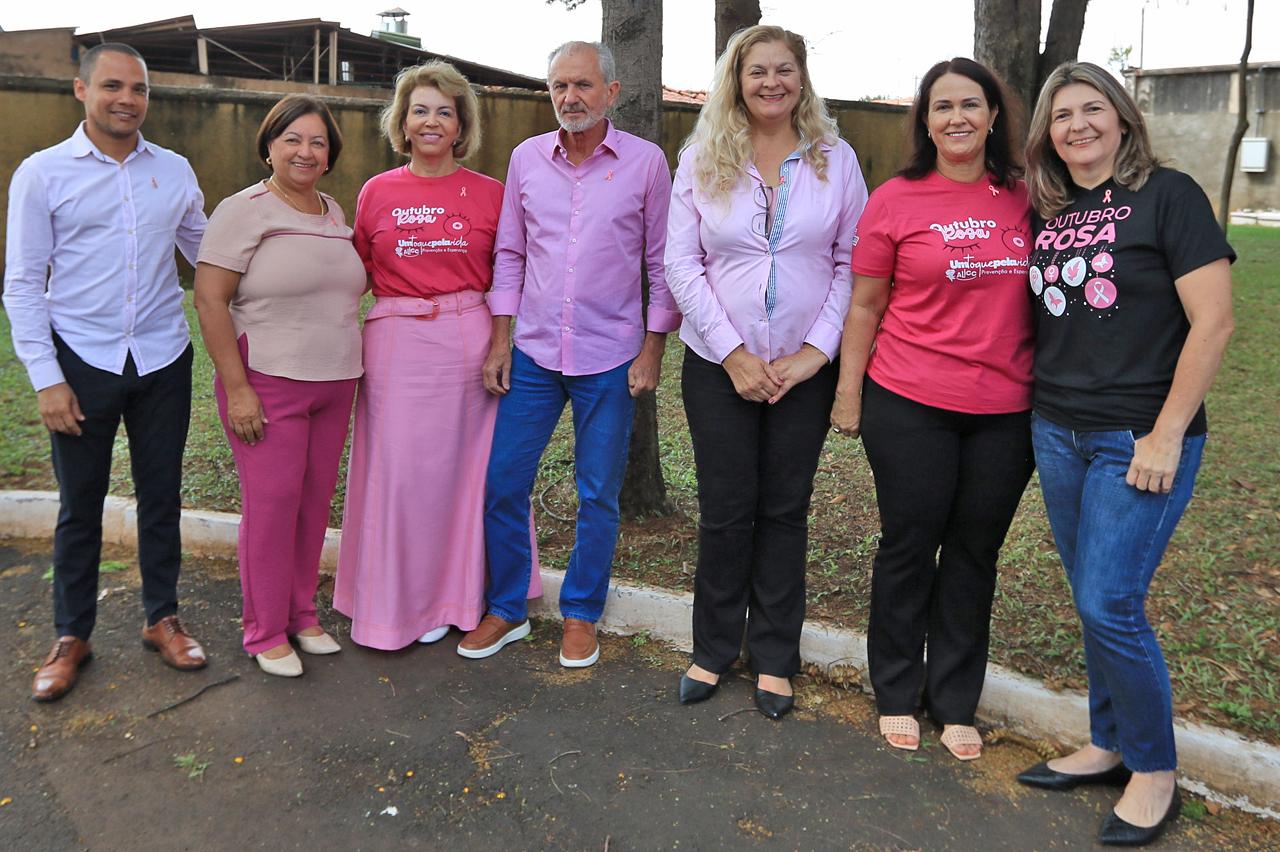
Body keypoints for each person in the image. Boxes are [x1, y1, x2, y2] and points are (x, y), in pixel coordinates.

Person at [1014, 62, 1235, 847]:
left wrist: (1167, 432)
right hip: (1057, 431)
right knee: (1091, 598)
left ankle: (1153, 769)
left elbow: (1213, 322)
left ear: (1122, 118)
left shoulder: (1169, 195)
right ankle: (1108, 744)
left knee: (1110, 602)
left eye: (1092, 109)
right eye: (1061, 115)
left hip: (1137, 438)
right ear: (1047, 134)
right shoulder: (1050, 210)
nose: (1078, 125)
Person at [829, 58, 1034, 758]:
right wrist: (849, 393)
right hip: (909, 400)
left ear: (993, 115)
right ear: (925, 120)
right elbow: (865, 305)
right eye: (941, 106)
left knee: (975, 552)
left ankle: (953, 700)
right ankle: (895, 689)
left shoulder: (1027, 197)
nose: (957, 118)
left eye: (970, 104)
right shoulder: (895, 199)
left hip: (1006, 410)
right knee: (910, 544)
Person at [665, 25, 867, 720]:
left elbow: (853, 261)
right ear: (737, 79)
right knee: (726, 511)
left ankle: (776, 656)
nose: (771, 82)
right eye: (758, 71)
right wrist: (734, 354)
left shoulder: (836, 159)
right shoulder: (701, 157)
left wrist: (815, 352)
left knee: (784, 511)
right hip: (718, 365)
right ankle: (713, 649)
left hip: (803, 373)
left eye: (784, 70)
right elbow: (681, 263)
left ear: (801, 79)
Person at [457, 41, 679, 669]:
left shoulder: (646, 163)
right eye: (559, 85)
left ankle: (581, 613)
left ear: (611, 92)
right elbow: (510, 253)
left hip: (610, 356)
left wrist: (653, 347)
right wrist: (500, 338)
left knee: (598, 493)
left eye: (582, 85)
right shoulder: (526, 158)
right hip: (532, 351)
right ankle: (507, 608)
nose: (569, 97)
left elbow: (661, 263)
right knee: (504, 482)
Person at [4, 43, 209, 701]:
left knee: (162, 494)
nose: (127, 99)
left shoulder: (173, 170)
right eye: (113, 86)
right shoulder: (42, 173)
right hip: (80, 360)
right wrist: (46, 378)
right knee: (79, 504)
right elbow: (23, 283)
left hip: (162, 357)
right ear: (81, 90)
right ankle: (72, 634)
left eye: (139, 89)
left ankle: (162, 617)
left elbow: (209, 255)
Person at [334, 61, 537, 650]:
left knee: (469, 477)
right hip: (396, 342)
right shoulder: (377, 191)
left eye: (444, 111)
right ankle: (401, 605)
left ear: (461, 124)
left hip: (471, 340)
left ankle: (461, 599)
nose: (431, 121)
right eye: (419, 110)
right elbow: (355, 272)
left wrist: (500, 342)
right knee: (402, 478)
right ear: (402, 121)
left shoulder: (492, 194)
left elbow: (509, 274)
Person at [193, 95, 364, 677]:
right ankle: (264, 630)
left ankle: (301, 614)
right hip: (268, 382)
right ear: (269, 146)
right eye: (292, 139)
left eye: (318, 142)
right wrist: (237, 388)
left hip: (335, 382)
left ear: (330, 155)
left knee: (313, 504)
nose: (305, 151)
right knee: (272, 507)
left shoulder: (333, 212)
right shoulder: (242, 210)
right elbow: (209, 300)